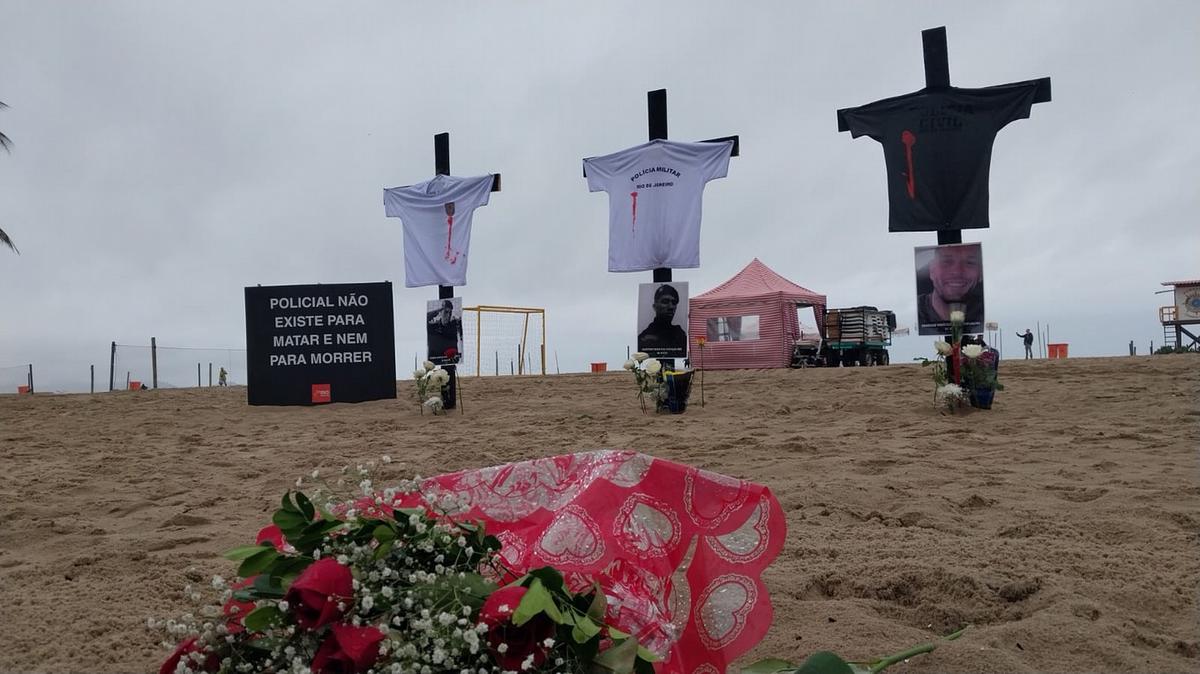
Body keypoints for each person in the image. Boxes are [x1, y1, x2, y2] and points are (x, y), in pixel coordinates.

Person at [917, 245, 983, 328]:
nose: (957, 272)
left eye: (969, 262)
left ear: (980, 273)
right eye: (947, 261)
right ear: (932, 270)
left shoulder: (988, 313)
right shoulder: (914, 315)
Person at [638, 283, 687, 355]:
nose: (671, 307)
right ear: (655, 307)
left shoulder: (679, 334)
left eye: (674, 302)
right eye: (665, 301)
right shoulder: (645, 336)